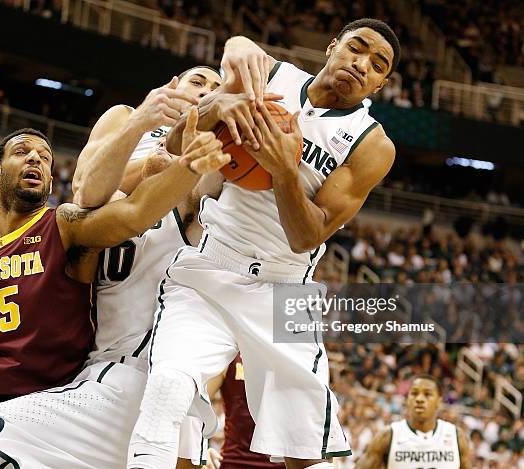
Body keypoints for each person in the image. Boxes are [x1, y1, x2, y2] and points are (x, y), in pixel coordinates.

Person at [128, 17, 401, 469]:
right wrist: (219, 107)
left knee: (306, 453)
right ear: (333, 46)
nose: (362, 64)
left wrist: (282, 168)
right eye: (357, 48)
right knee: (166, 391)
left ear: (381, 83)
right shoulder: (271, 76)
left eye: (377, 65)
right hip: (211, 266)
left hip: (285, 290)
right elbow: (177, 145)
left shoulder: (373, 145)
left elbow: (307, 236)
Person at [0, 119, 229, 468]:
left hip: (43, 419)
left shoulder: (63, 226)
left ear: (50, 182)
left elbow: (135, 214)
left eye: (45, 158)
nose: (35, 158)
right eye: (22, 152)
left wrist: (191, 163)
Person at [355, 375, 472, 469]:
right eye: (414, 393)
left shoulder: (456, 436)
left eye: (427, 394)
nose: (419, 399)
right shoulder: (388, 435)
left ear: (439, 401)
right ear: (408, 399)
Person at [205, 354, 286, 469]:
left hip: (283, 462)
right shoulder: (230, 356)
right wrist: (199, 449)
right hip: (236, 461)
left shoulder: (287, 354)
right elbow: (195, 405)